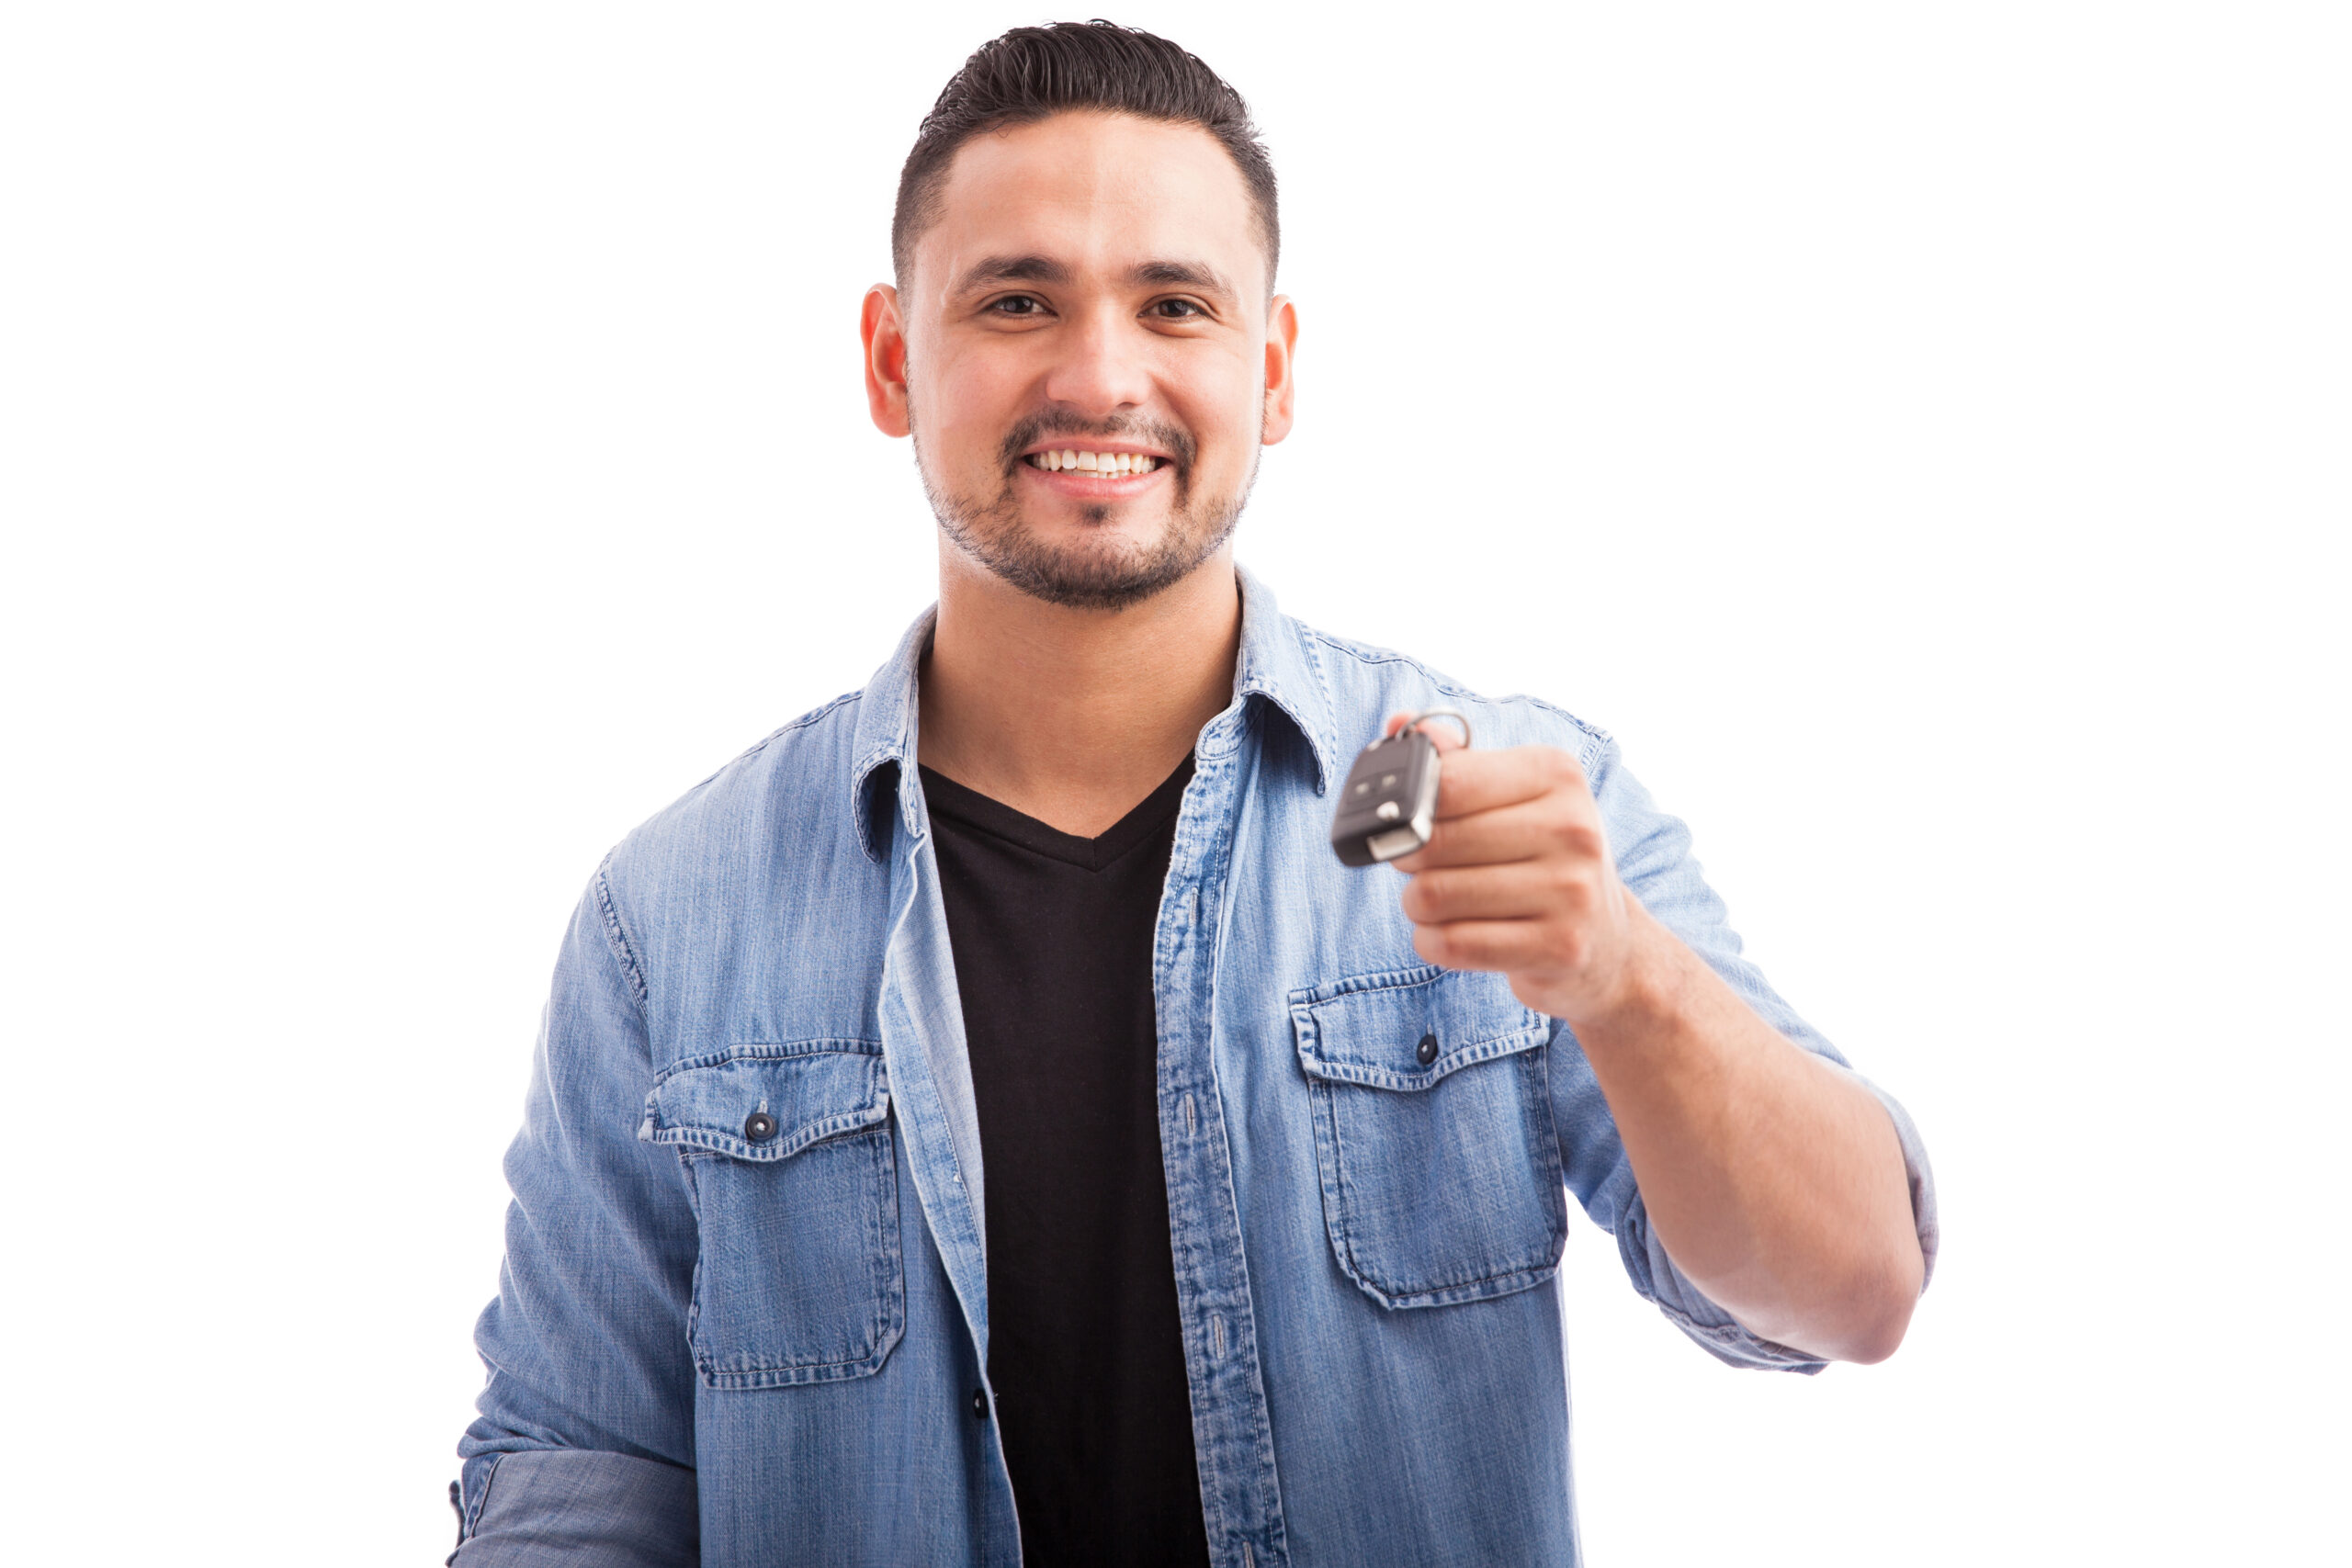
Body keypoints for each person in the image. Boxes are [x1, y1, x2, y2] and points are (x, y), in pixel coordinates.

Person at [451, 21, 1937, 1567]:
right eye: (1018, 300)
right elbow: (581, 1486)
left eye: (1174, 304)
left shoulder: (1502, 794)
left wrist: (1630, 984)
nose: (1101, 376)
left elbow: (1855, 1289)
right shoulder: (673, 916)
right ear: (895, 361)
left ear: (1272, 368)